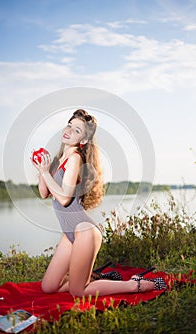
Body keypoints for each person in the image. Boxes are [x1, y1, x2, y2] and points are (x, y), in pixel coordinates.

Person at [32, 109, 166, 297]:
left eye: (77, 130)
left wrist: (46, 173)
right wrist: (42, 169)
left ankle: (137, 284)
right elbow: (45, 193)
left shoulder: (75, 159)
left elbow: (64, 199)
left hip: (85, 231)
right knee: (48, 287)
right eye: (70, 125)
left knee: (78, 291)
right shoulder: (57, 160)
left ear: (83, 140)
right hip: (69, 234)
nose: (69, 130)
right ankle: (96, 278)